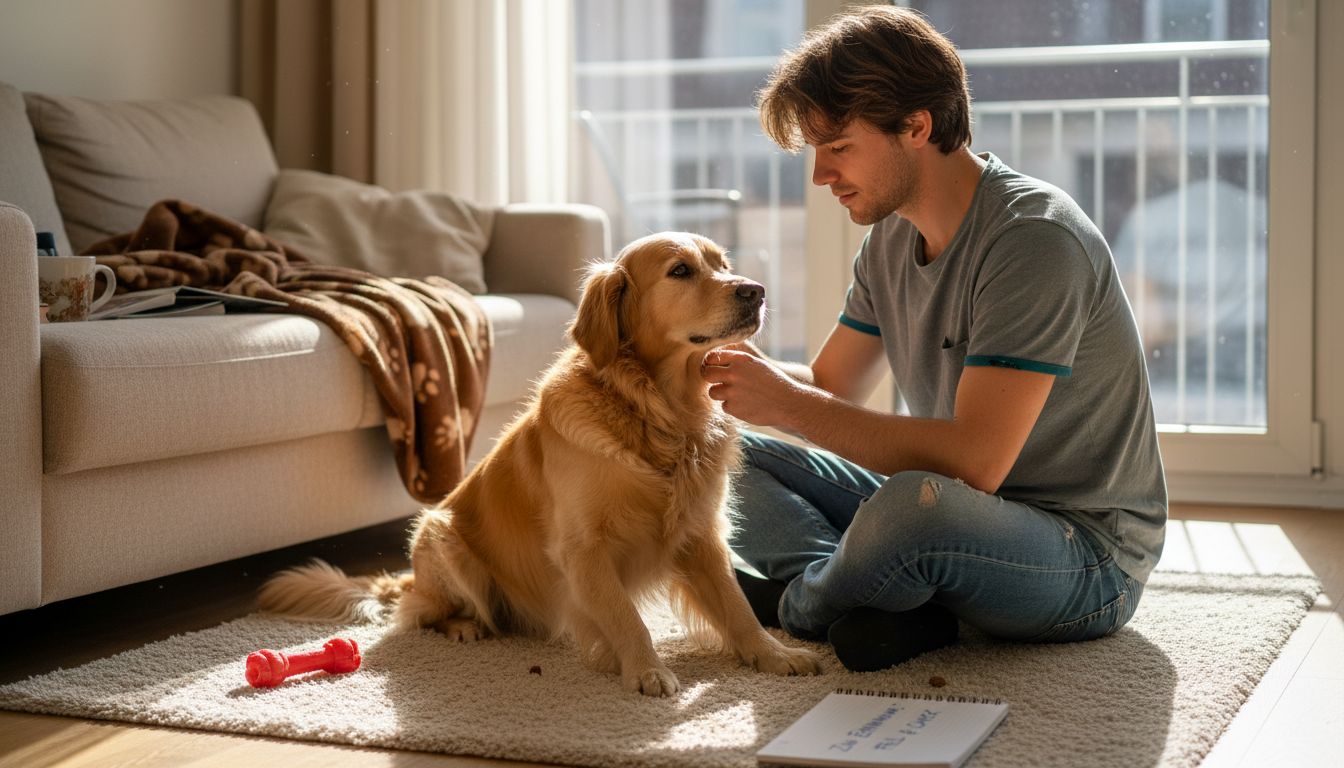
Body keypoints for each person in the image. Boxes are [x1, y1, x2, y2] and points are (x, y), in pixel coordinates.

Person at [701, 5, 1166, 672]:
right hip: (958, 508)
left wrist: (788, 404)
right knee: (721, 448)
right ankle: (884, 601)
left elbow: (976, 464)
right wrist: (731, 372)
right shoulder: (891, 237)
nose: (820, 176)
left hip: (1084, 554)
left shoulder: (1034, 239)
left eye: (837, 147)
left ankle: (796, 606)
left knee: (912, 511)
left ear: (916, 125)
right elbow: (831, 386)